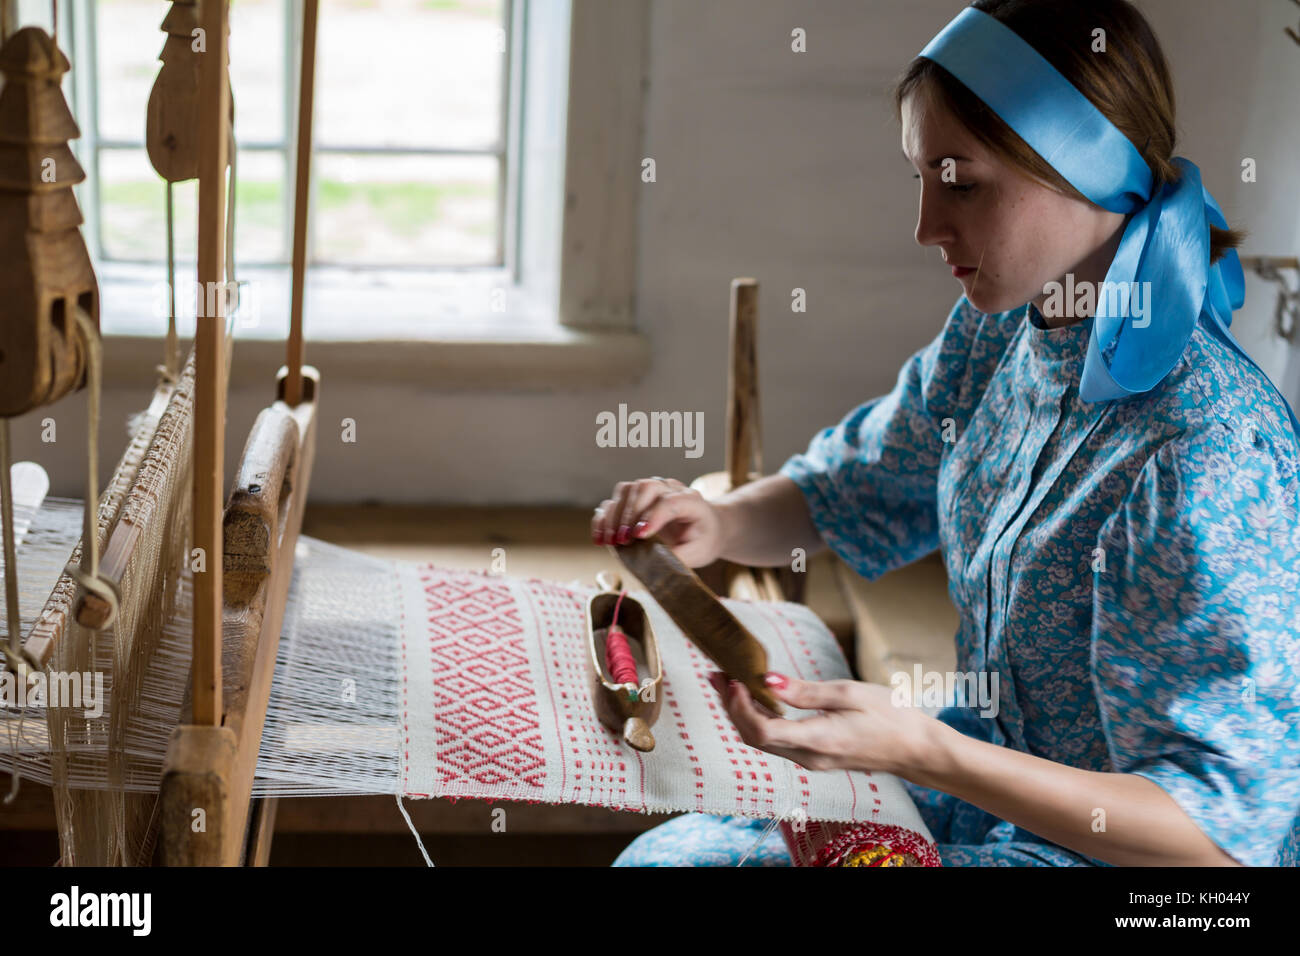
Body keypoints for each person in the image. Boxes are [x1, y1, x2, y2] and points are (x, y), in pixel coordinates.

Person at [592, 0, 1300, 867]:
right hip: (982, 784)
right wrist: (722, 524)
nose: (925, 226)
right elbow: (857, 483)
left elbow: (1220, 841)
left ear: (1081, 170)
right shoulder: (1003, 334)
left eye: (960, 181)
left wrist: (926, 752)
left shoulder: (1205, 452)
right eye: (919, 178)